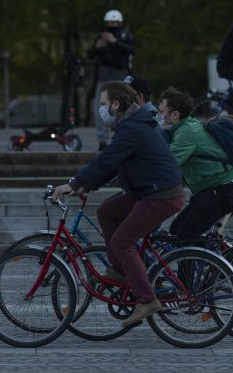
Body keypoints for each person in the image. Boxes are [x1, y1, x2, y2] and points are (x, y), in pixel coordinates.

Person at [51, 81, 184, 327]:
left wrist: (76, 183)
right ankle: (121, 270)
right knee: (107, 212)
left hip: (161, 194)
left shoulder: (132, 127)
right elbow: (111, 164)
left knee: (122, 241)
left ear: (116, 104)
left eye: (103, 104)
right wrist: (83, 185)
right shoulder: (132, 123)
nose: (101, 110)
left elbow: (107, 160)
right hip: (148, 190)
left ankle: (147, 299)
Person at [157, 87, 233, 241]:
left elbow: (166, 163)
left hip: (223, 191)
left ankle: (209, 262)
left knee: (185, 235)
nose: (157, 114)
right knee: (175, 229)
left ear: (175, 114)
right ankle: (204, 260)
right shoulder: (183, 127)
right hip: (212, 190)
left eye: (160, 111)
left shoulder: (187, 132)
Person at [87, 9, 135, 151]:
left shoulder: (126, 36)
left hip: (120, 78)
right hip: (103, 78)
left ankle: (120, 137)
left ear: (119, 23)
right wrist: (96, 48)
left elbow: (131, 50)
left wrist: (114, 42)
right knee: (100, 109)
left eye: (114, 23)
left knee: (123, 108)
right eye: (109, 23)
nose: (111, 25)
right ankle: (102, 140)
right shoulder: (101, 37)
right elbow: (89, 56)